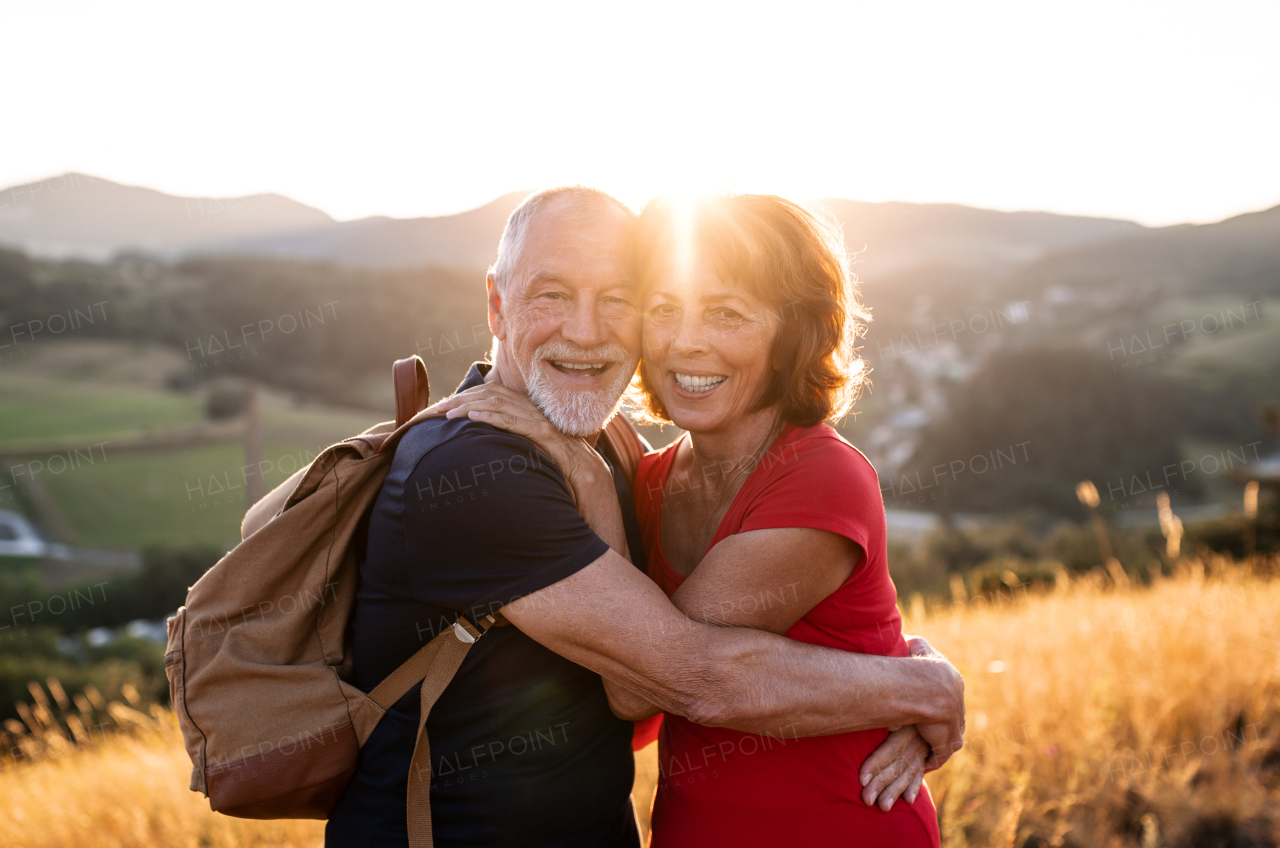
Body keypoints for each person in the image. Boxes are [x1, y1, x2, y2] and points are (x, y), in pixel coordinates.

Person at [321, 186, 963, 847]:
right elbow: (659, 690)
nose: (686, 344)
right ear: (496, 304)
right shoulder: (497, 471)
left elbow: (665, 688)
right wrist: (916, 687)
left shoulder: (643, 464)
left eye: (727, 315)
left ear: (789, 333)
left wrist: (916, 677)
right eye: (664, 309)